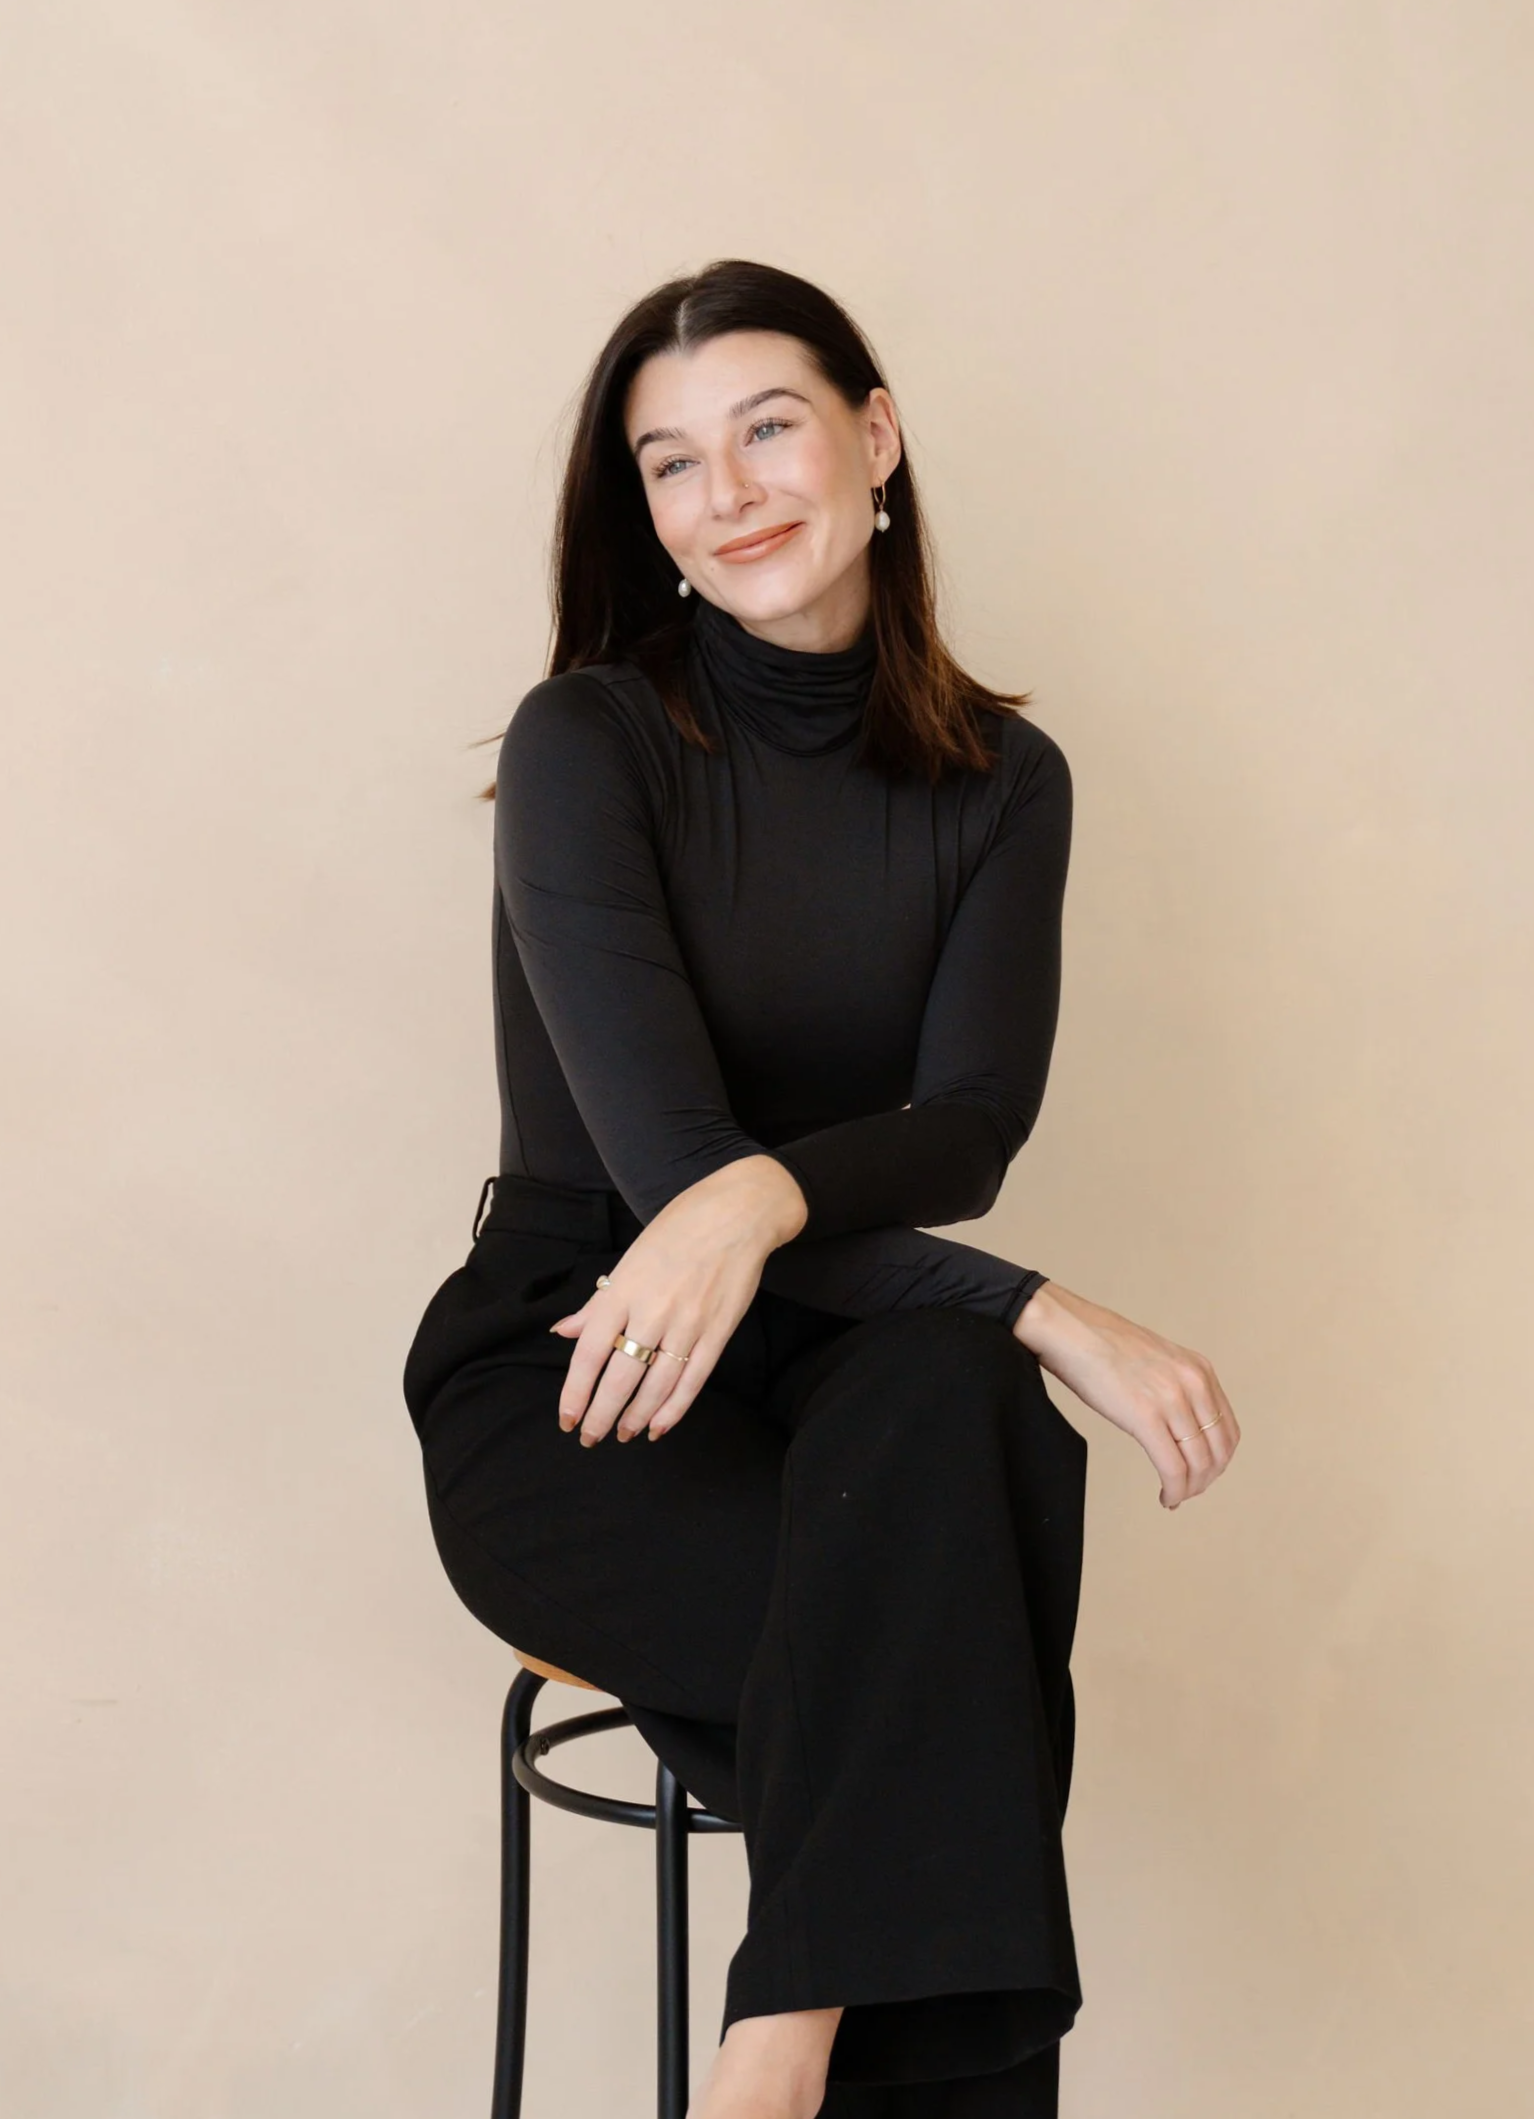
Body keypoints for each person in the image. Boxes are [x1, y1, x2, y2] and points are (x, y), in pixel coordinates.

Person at [402, 258, 1241, 2119]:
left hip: (843, 1376)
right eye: (672, 461)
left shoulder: (1004, 784)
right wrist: (1035, 1300)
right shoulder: (588, 747)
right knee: (970, 1579)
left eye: (769, 425)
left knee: (945, 1431)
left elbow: (965, 1130)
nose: (732, 490)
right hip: (583, 1371)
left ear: (875, 437)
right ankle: (791, 2053)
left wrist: (767, 1203)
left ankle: (775, 2047)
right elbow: (657, 1183)